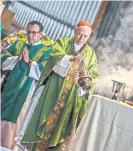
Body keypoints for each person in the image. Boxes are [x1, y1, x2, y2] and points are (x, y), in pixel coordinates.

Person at [21, 20, 99, 151]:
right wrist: (69, 59)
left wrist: (86, 82)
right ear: (75, 31)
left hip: (70, 98)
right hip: (53, 91)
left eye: (85, 36)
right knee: (44, 122)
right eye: (79, 34)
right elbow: (52, 58)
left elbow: (93, 76)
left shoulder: (90, 55)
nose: (81, 38)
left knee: (60, 129)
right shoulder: (63, 42)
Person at [1, 21, 51, 149]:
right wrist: (16, 58)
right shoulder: (18, 45)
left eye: (34, 33)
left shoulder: (45, 51)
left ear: (40, 34)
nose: (30, 35)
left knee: (19, 115)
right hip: (9, 87)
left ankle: (11, 146)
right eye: (28, 32)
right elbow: (3, 61)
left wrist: (30, 62)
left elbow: (44, 72)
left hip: (27, 91)